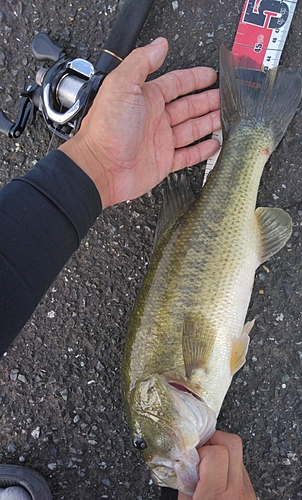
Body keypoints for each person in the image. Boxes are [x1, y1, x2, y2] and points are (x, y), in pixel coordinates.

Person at [0, 38, 256, 499]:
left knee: (247, 146)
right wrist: (89, 165)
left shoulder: (184, 379)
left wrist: (97, 161)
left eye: (144, 442)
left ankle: (252, 133)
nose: (151, 454)